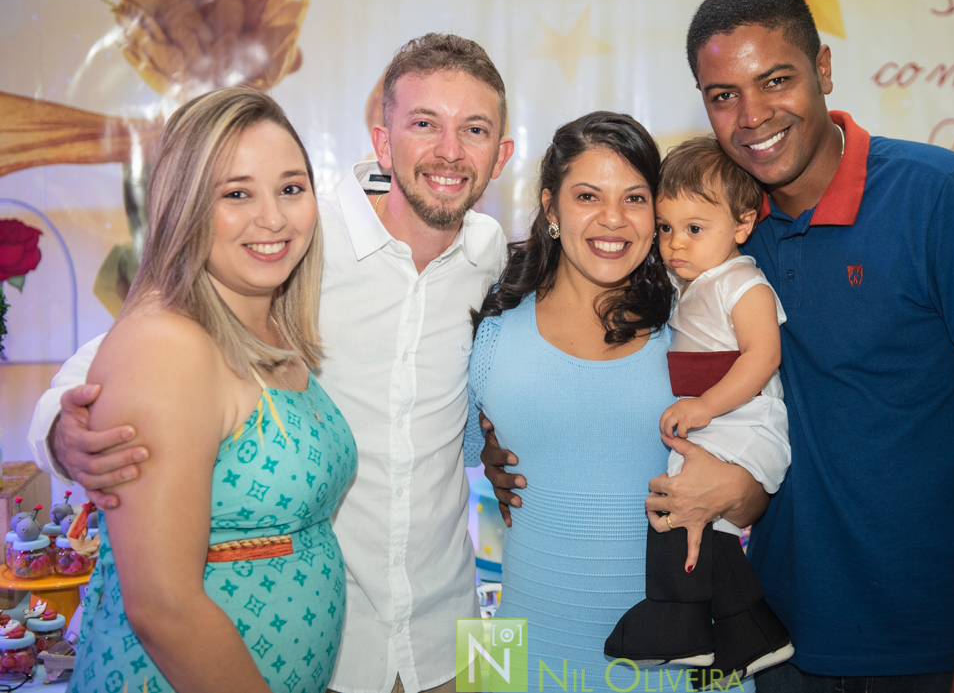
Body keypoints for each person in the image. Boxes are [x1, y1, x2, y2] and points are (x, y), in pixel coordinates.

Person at [488, 0, 954, 693]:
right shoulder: (714, 242)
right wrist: (497, 432)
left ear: (822, 70)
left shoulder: (936, 195)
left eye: (776, 79)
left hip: (927, 637)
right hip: (775, 637)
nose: (752, 114)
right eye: (723, 94)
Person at [28, 34, 516, 693]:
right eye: (424, 123)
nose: (449, 151)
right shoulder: (296, 244)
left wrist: (497, 439)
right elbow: (132, 350)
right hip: (330, 651)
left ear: (502, 156)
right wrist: (62, 427)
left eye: (474, 129)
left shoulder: (491, 257)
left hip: (449, 628)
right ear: (382, 141)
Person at [68, 87, 356, 693]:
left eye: (291, 187)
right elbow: (164, 610)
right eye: (236, 194)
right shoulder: (166, 345)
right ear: (186, 206)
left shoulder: (271, 324)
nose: (273, 217)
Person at [466, 111, 677, 686]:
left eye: (635, 197)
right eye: (588, 195)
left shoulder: (694, 323)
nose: (614, 219)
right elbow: (443, 478)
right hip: (530, 651)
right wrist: (492, 459)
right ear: (551, 208)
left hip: (682, 657)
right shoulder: (492, 330)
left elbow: (757, 460)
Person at [605, 137, 793, 676]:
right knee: (708, 531)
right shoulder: (689, 282)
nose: (674, 244)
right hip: (720, 420)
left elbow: (762, 356)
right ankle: (749, 633)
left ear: (741, 225)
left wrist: (706, 406)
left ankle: (681, 621)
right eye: (665, 228)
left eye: (693, 228)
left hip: (746, 419)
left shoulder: (744, 284)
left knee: (675, 503)